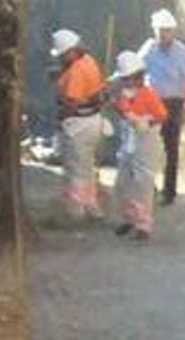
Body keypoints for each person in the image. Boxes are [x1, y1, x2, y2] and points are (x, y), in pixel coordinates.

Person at [109, 50, 169, 241]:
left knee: (143, 183)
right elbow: (123, 112)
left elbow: (162, 115)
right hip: (130, 139)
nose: (127, 83)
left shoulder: (148, 94)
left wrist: (145, 121)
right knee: (122, 182)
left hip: (147, 140)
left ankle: (143, 225)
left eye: (130, 79)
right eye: (124, 79)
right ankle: (129, 217)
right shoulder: (122, 95)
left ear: (139, 77)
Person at [51, 28, 110, 222]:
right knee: (87, 167)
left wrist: (60, 118)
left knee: (75, 168)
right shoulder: (88, 61)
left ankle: (76, 210)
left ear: (70, 52)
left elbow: (72, 102)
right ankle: (92, 206)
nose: (60, 59)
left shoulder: (76, 70)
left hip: (78, 122)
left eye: (62, 55)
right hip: (94, 120)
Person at [139, 10, 185, 206]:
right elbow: (137, 70)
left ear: (173, 31)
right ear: (154, 31)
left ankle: (169, 191)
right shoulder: (149, 49)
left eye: (167, 31)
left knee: (171, 149)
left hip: (174, 103)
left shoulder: (184, 53)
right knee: (148, 147)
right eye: (160, 31)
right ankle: (149, 187)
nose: (163, 34)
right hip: (151, 103)